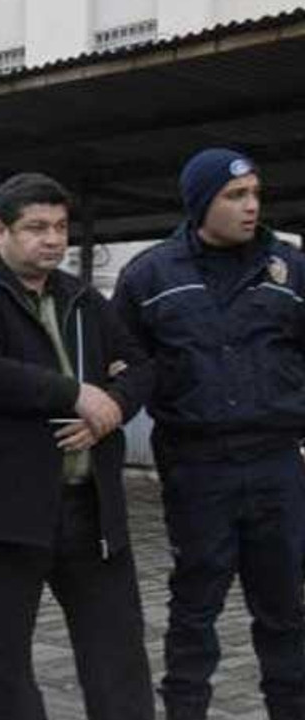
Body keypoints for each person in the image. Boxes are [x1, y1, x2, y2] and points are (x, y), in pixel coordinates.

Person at [0, 174, 155, 720]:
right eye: (36, 228)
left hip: (89, 508)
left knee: (118, 656)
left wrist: (113, 409)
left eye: (60, 228)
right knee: (5, 667)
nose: (52, 240)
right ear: (0, 231)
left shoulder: (82, 298)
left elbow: (142, 365)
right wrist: (76, 392)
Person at [115, 149, 305, 720]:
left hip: (277, 465)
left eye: (255, 193)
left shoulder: (290, 268)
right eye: (234, 196)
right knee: (194, 608)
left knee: (285, 611)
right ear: (200, 203)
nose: (251, 206)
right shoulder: (149, 275)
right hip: (198, 468)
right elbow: (124, 365)